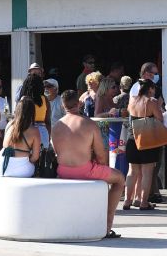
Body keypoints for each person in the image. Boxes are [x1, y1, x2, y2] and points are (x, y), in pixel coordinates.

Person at [52, 90, 125, 238]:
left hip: (63, 171)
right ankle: (106, 226)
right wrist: (101, 165)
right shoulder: (88, 124)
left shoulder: (57, 126)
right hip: (84, 170)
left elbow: (56, 151)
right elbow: (101, 155)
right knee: (119, 179)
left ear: (62, 105)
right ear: (79, 103)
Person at [123, 78, 162, 211]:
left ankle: (127, 201)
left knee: (132, 171)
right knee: (147, 172)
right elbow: (160, 119)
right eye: (154, 89)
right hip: (147, 141)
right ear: (150, 89)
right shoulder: (152, 102)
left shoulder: (132, 100)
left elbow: (129, 113)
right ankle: (144, 202)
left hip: (132, 139)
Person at [0, 97, 41, 178]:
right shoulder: (34, 130)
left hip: (2, 169)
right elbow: (35, 157)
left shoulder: (9, 125)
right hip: (22, 171)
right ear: (32, 112)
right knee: (32, 166)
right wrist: (27, 158)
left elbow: (4, 146)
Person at [21, 74, 51, 150]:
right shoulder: (45, 99)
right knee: (42, 160)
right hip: (42, 131)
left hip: (27, 130)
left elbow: (20, 119)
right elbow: (48, 121)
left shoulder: (24, 100)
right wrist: (48, 136)